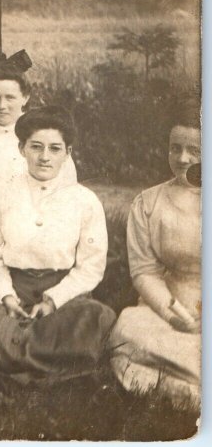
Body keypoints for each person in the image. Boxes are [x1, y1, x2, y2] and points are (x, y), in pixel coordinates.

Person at [0, 106, 115, 382]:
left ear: (68, 153)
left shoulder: (84, 200)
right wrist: (6, 296)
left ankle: (2, 358)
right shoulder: (0, 195)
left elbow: (91, 267)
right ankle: (50, 362)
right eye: (36, 147)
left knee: (96, 317)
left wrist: (53, 301)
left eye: (55, 149)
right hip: (13, 289)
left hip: (64, 294)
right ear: (21, 148)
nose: (44, 157)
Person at [0, 50, 77, 297]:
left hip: (36, 224)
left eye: (10, 97)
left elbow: (65, 185)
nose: (1, 105)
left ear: (25, 97)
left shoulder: (45, 135)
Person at [108, 109, 201, 409]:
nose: (183, 158)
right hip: (167, 309)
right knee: (128, 327)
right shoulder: (148, 202)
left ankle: (177, 386)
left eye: (194, 150)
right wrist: (173, 313)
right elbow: (144, 271)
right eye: (176, 148)